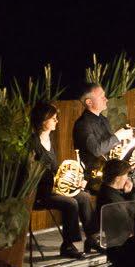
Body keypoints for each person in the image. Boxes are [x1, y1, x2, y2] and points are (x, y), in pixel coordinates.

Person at [30, 102, 95, 258]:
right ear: (42, 120)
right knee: (70, 203)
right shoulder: (32, 143)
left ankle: (92, 238)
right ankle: (67, 246)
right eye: (53, 118)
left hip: (55, 187)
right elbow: (32, 173)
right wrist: (59, 179)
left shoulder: (49, 139)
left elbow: (56, 168)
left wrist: (74, 180)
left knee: (84, 197)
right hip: (41, 192)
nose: (56, 121)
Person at [73, 82, 135, 195]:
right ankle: (129, 210)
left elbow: (117, 150)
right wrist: (118, 136)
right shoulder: (83, 125)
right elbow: (97, 150)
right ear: (89, 102)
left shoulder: (103, 119)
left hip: (115, 169)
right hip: (100, 175)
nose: (106, 99)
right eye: (102, 97)